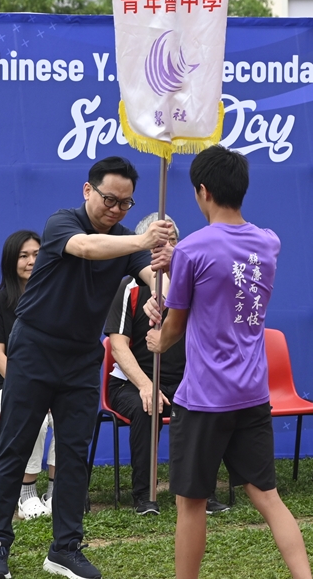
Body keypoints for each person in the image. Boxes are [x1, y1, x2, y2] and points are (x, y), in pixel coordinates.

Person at [0, 156, 173, 579]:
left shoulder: (125, 240)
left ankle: (65, 549)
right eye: (109, 199)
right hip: (34, 349)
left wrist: (161, 288)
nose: (116, 209)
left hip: (83, 358)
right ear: (88, 190)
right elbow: (87, 248)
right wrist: (142, 240)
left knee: (73, 455)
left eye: (125, 203)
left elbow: (151, 275)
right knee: (15, 447)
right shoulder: (62, 223)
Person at [146, 145, 312, 579]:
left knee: (191, 502)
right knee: (268, 497)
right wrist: (177, 261)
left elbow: (173, 327)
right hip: (252, 392)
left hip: (203, 397)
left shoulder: (192, 250)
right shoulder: (269, 243)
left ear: (203, 191)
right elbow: (218, 275)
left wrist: (156, 339)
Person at [103, 213, 230, 517]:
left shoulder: (193, 287)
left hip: (181, 381)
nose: (167, 248)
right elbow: (118, 346)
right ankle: (145, 496)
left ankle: (201, 492)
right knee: (147, 407)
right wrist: (146, 385)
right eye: (159, 243)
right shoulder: (130, 288)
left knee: (201, 405)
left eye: (172, 241)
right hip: (132, 383)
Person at [0, 230, 56, 520]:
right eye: (24, 256)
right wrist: (30, 389)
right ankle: (26, 493)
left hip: (48, 383)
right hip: (5, 387)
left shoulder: (52, 299)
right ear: (11, 261)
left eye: (37, 254)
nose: (31, 261)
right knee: (34, 414)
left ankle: (56, 491)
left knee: (68, 413)